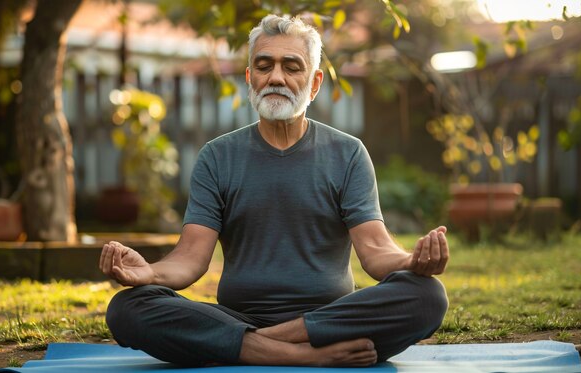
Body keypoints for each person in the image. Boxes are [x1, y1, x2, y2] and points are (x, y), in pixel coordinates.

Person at [100, 14, 449, 368]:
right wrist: (149, 275)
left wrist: (410, 262)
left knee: (427, 296)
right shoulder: (217, 156)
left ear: (314, 84)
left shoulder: (347, 153)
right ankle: (301, 355)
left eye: (291, 67)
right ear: (250, 78)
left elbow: (375, 250)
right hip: (240, 318)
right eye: (264, 66)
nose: (276, 78)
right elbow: (190, 258)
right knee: (128, 308)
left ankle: (250, 346)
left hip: (330, 320)